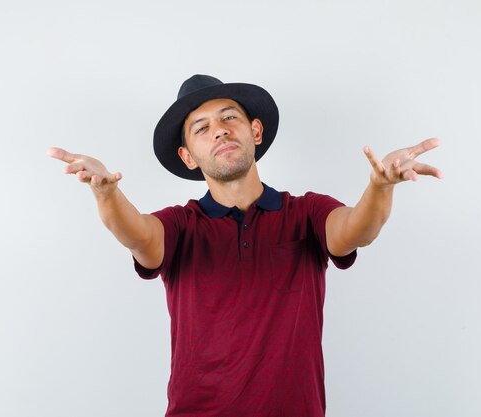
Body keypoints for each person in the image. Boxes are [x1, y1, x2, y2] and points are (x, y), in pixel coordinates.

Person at [47, 74, 442, 417]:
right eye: (201, 128)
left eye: (228, 118)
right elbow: (137, 234)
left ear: (255, 131)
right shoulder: (180, 226)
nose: (218, 130)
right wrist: (106, 195)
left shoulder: (305, 213)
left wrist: (380, 187)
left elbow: (357, 230)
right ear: (188, 156)